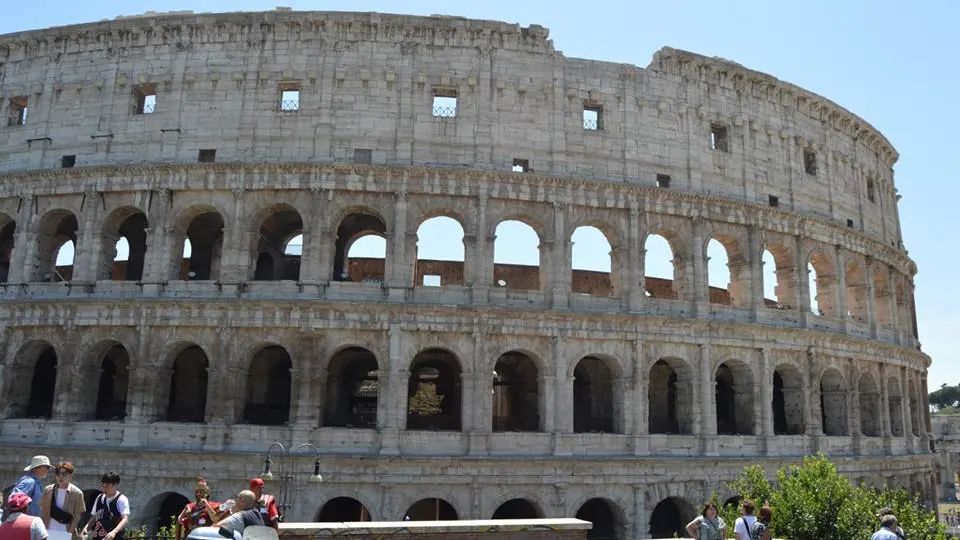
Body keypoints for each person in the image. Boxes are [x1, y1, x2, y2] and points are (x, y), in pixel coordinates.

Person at [39, 462, 85, 540]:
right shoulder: (48, 490)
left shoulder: (77, 493)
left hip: (65, 533)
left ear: (71, 475)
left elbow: (77, 516)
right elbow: (42, 510)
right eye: (58, 473)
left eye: (64, 474)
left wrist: (69, 533)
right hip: (48, 531)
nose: (61, 477)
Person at [81, 473, 129, 540]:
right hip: (98, 536)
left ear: (116, 485)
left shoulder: (121, 499)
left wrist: (114, 532)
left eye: (107, 486)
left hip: (114, 537)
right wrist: (86, 527)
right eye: (103, 486)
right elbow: (94, 516)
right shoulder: (99, 497)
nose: (104, 489)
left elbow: (125, 519)